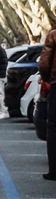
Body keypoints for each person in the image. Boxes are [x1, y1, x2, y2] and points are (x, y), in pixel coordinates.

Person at [37, 20, 56, 180]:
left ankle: (54, 170)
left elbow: (44, 63)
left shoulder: (53, 36)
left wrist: (46, 78)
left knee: (53, 127)